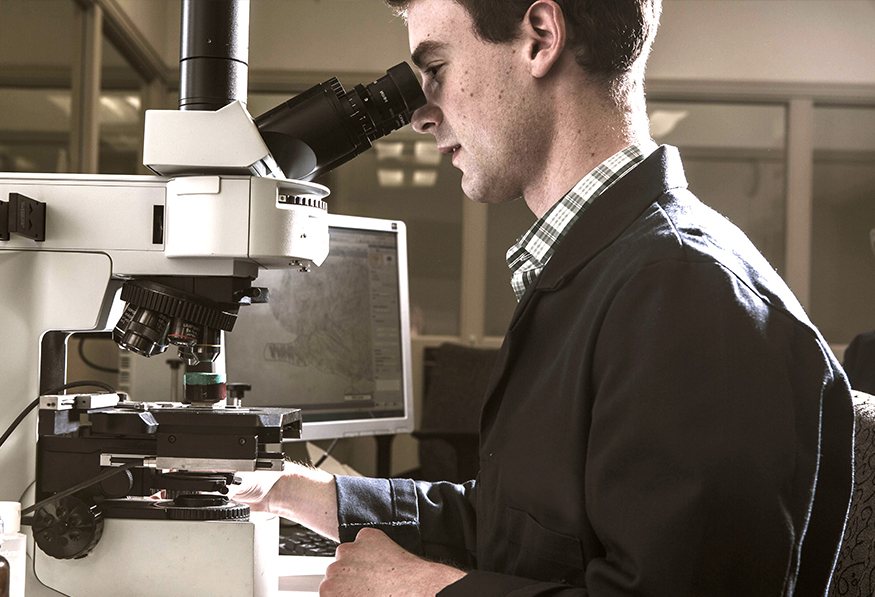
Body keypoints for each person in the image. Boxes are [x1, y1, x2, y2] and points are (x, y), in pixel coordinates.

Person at [232, 0, 855, 594]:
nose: (421, 114)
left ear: (540, 39)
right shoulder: (606, 271)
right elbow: (526, 531)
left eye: (436, 70)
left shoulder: (689, 295)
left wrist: (425, 591)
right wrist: (314, 494)